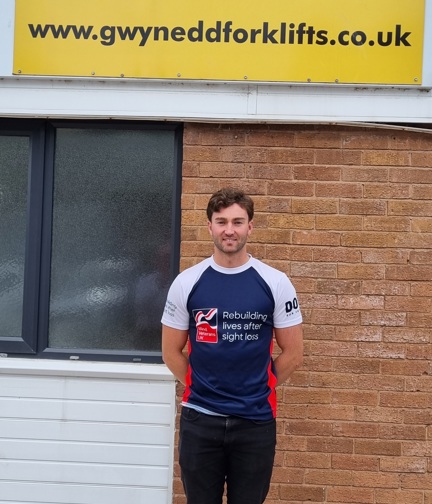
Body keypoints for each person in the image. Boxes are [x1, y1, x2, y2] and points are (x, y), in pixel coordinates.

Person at [161, 187, 303, 504]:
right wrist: (201, 386)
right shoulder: (186, 282)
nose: (229, 230)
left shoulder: (276, 282)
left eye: (237, 222)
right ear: (210, 225)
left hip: (255, 422)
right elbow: (171, 353)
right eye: (221, 221)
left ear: (250, 226)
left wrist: (260, 386)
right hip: (200, 420)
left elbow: (293, 353)